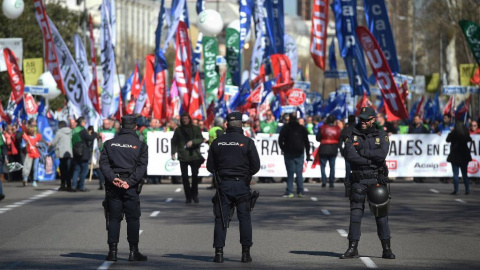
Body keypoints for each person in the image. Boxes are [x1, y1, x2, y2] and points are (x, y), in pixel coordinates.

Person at [341, 107, 395, 260]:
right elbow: (350, 156)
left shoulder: (381, 134)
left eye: (366, 119)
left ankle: (386, 249)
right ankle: (352, 248)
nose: (363, 122)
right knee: (355, 214)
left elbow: (382, 154)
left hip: (377, 179)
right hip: (358, 179)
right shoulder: (351, 134)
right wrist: (371, 160)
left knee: (381, 215)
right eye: (361, 119)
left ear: (373, 120)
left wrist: (363, 153)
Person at [206, 111, 260, 263]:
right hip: (242, 184)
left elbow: (210, 166)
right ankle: (245, 253)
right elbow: (255, 166)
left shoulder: (217, 142)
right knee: (244, 218)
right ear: (241, 125)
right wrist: (245, 173)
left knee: (221, 219)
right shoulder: (248, 142)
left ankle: (219, 254)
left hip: (224, 184)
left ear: (226, 124)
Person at [100, 115, 148, 262]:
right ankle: (133, 252)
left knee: (114, 219)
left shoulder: (109, 144)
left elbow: (103, 164)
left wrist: (113, 178)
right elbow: (142, 168)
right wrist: (129, 182)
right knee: (133, 219)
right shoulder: (141, 145)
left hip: (113, 185)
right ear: (135, 127)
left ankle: (112, 252)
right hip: (130, 187)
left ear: (121, 126)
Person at [171, 113, 205, 203]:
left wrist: (193, 141)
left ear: (189, 119)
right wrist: (173, 153)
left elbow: (201, 139)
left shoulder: (195, 129)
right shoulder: (178, 130)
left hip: (194, 156)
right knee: (185, 178)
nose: (185, 120)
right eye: (183, 118)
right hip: (183, 157)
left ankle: (195, 195)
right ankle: (188, 197)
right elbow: (174, 141)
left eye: (186, 118)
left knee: (195, 177)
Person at [278, 112, 311, 197]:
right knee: (299, 173)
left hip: (289, 152)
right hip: (299, 153)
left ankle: (290, 191)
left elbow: (280, 140)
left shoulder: (286, 127)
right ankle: (300, 191)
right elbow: (307, 142)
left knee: (290, 173)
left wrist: (284, 149)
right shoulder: (301, 128)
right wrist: (308, 154)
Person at [71, 117, 98, 192]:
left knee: (76, 169)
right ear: (81, 122)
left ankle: (74, 185)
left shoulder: (74, 130)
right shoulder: (82, 130)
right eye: (84, 122)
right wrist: (95, 134)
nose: (85, 123)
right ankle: (81, 186)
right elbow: (89, 138)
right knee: (85, 170)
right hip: (83, 152)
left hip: (75, 151)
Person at [446, 121, 472, 195]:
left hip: (455, 156)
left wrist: (451, 132)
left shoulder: (453, 134)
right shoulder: (465, 133)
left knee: (455, 175)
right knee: (465, 174)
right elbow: (469, 139)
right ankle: (467, 190)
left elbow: (447, 140)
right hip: (464, 156)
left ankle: (456, 190)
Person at [316, 115, 341, 187]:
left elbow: (318, 138)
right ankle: (331, 182)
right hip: (333, 149)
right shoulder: (337, 128)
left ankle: (324, 180)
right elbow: (339, 138)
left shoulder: (322, 127)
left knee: (323, 166)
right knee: (332, 166)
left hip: (324, 148)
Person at [50, 121, 73, 191]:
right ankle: (69, 185)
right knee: (68, 169)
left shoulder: (59, 132)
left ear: (60, 126)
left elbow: (54, 143)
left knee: (63, 169)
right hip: (70, 153)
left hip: (61, 153)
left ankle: (63, 185)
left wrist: (49, 149)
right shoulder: (71, 132)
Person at [22, 122, 43, 187]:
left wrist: (38, 145)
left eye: (32, 130)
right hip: (29, 154)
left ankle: (34, 180)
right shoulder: (26, 137)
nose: (32, 131)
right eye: (30, 130)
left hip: (36, 153)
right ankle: (25, 179)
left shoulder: (37, 137)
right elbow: (22, 145)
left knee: (35, 168)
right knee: (27, 167)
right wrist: (26, 144)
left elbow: (41, 144)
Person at [97, 119, 116, 190]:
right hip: (102, 151)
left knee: (111, 167)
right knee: (100, 167)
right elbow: (96, 139)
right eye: (104, 123)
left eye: (107, 123)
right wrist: (98, 135)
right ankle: (102, 182)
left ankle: (110, 182)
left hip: (112, 151)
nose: (106, 125)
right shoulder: (100, 130)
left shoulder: (113, 130)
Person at [339, 115, 356, 184]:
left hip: (347, 151)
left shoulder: (344, 130)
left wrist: (342, 151)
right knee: (356, 169)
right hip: (356, 151)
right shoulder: (358, 129)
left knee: (348, 169)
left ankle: (348, 185)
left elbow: (339, 143)